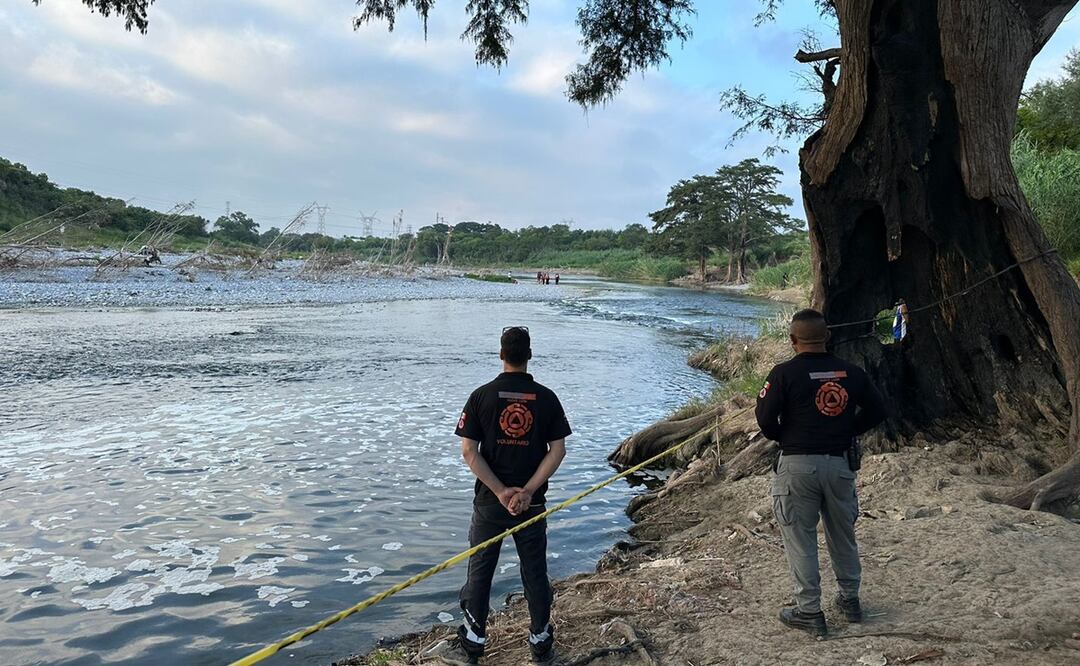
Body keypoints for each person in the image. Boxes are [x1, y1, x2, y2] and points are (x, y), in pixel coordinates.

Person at [439, 326, 571, 665]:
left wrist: (500, 492)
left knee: (480, 573)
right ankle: (541, 645)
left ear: (501, 355)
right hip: (533, 503)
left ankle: (471, 646)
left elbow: (469, 452)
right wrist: (526, 492)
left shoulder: (481, 396)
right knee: (535, 573)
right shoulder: (547, 398)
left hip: (490, 502)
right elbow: (557, 451)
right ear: (529, 355)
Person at [755, 309, 886, 637]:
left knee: (801, 538)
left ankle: (809, 611)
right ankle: (850, 600)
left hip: (797, 466)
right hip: (840, 464)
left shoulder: (783, 374)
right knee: (843, 534)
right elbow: (880, 409)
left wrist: (784, 436)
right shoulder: (851, 373)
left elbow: (765, 419)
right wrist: (847, 431)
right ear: (827, 337)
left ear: (793, 340)